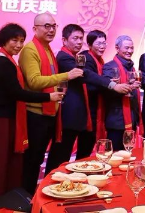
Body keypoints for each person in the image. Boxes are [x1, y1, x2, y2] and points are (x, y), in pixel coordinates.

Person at [0, 23, 63, 203]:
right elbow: (17, 93)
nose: (18, 45)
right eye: (14, 40)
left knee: (4, 163)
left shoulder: (8, 60)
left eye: (21, 41)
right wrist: (48, 97)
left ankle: (3, 197)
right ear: (4, 40)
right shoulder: (3, 62)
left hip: (5, 118)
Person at [46, 25, 131, 173]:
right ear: (64, 40)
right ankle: (51, 182)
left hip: (78, 115)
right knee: (60, 157)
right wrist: (112, 85)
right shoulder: (65, 57)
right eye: (75, 38)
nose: (79, 42)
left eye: (81, 38)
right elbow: (85, 74)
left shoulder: (78, 57)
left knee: (73, 157)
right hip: (69, 115)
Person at [19, 13, 83, 194]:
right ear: (35, 29)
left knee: (38, 159)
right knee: (32, 160)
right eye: (46, 26)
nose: (51, 30)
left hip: (48, 113)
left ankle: (31, 195)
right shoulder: (30, 50)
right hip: (35, 114)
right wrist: (67, 75)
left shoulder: (47, 49)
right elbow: (34, 81)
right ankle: (25, 198)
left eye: (54, 26)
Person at [102, 35, 142, 151]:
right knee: (115, 155)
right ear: (117, 48)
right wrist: (128, 87)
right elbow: (107, 92)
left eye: (132, 48)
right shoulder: (109, 67)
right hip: (116, 121)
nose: (130, 51)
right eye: (126, 48)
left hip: (131, 119)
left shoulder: (132, 68)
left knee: (128, 154)